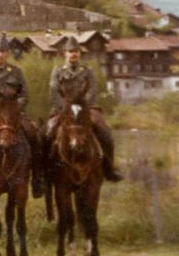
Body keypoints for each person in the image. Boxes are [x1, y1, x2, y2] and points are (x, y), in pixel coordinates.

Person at [0, 36, 44, 196]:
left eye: (4, 52)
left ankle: (37, 180)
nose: (0, 55)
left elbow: (24, 95)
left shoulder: (16, 72)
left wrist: (15, 108)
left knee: (33, 134)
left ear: (8, 54)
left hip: (13, 113)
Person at [47, 36, 123, 182]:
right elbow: (54, 91)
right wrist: (65, 107)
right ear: (65, 54)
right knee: (47, 133)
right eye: (70, 51)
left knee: (104, 132)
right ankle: (46, 171)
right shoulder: (57, 71)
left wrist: (83, 107)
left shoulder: (87, 71)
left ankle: (109, 168)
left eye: (76, 51)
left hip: (85, 109)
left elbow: (93, 90)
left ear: (80, 53)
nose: (73, 54)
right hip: (63, 109)